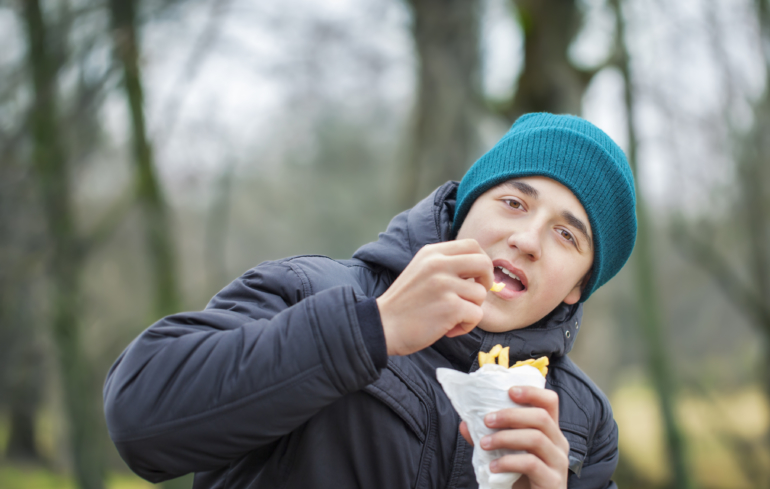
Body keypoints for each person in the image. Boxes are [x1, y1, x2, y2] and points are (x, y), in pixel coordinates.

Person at [103, 112, 637, 489]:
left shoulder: (582, 422)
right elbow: (139, 419)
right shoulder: (307, 290)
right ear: (466, 209)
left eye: (567, 236)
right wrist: (371, 328)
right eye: (514, 202)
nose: (527, 240)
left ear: (578, 285)